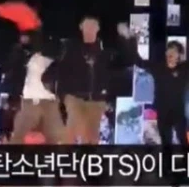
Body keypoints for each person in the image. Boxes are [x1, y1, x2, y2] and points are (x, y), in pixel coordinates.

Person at [125, 31, 189, 187]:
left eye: (174, 52)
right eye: (168, 51)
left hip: (178, 112)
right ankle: (171, 176)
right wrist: (132, 40)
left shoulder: (184, 69)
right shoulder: (158, 68)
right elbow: (139, 61)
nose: (170, 55)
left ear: (179, 55)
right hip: (163, 112)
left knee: (183, 141)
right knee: (167, 144)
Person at [55, 15, 137, 144]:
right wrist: (62, 95)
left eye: (93, 26)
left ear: (98, 28)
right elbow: (59, 72)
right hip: (75, 98)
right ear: (81, 27)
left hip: (97, 100)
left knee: (91, 137)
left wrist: (127, 39)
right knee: (72, 130)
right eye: (87, 25)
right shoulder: (70, 50)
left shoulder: (105, 54)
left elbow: (127, 60)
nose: (90, 29)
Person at [6, 30, 64, 144]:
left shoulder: (54, 61)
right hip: (31, 101)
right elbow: (13, 71)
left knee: (55, 138)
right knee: (18, 136)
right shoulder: (25, 57)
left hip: (49, 102)